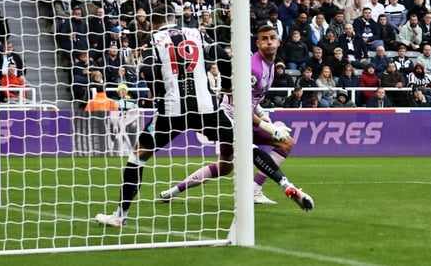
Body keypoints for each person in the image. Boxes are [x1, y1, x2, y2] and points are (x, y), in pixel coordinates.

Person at [94, 13, 312, 228]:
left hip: (172, 112)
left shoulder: (152, 41)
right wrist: (226, 86)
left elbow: (149, 70)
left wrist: (158, 95)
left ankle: (120, 215)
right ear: (174, 20)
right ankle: (286, 185)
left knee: (138, 155)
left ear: (154, 24)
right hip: (207, 108)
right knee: (244, 145)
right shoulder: (195, 34)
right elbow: (223, 57)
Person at [158, 24, 313, 208]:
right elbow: (241, 106)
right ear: (258, 43)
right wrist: (269, 127)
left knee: (229, 164)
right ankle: (282, 187)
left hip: (245, 118)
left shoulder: (270, 66)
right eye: (264, 38)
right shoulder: (253, 69)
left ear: (279, 42)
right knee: (242, 156)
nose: (269, 42)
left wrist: (264, 116)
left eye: (272, 37)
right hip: (229, 120)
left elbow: (253, 100)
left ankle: (173, 192)